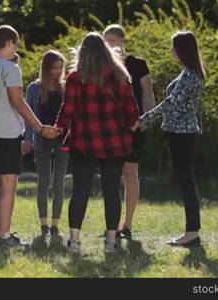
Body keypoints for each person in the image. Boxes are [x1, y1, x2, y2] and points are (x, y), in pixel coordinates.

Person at [55, 32, 139, 254]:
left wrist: (58, 127)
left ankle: (74, 241)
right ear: (105, 50)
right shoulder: (120, 76)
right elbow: (131, 108)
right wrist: (132, 124)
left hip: (84, 140)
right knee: (112, 190)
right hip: (115, 141)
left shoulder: (75, 78)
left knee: (80, 190)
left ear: (82, 53)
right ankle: (111, 241)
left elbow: (68, 109)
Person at [0, 25, 60, 247]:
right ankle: (4, 236)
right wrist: (40, 128)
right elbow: (18, 101)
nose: (16, 50)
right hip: (7, 134)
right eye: (16, 45)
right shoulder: (10, 68)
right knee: (8, 184)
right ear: (10, 43)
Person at [132, 31, 205, 247]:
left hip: (182, 134)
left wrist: (145, 119)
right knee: (185, 180)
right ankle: (192, 231)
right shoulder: (189, 73)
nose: (171, 51)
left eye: (174, 47)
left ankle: (192, 232)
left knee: (186, 181)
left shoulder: (191, 76)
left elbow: (170, 103)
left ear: (183, 49)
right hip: (179, 132)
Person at [103, 24, 156, 239]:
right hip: (109, 130)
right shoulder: (104, 66)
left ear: (122, 40)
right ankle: (112, 224)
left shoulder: (138, 64)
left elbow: (148, 93)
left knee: (130, 174)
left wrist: (147, 119)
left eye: (113, 40)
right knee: (110, 175)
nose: (109, 45)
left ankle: (128, 224)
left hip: (134, 127)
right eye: (106, 41)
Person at [24, 50, 69, 237]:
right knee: (43, 182)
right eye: (53, 68)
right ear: (45, 68)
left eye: (60, 68)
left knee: (59, 182)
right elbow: (29, 116)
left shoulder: (66, 88)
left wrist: (61, 130)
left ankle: (55, 224)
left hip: (62, 139)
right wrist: (27, 138)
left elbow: (70, 113)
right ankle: (43, 224)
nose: (57, 72)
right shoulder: (34, 89)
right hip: (41, 139)